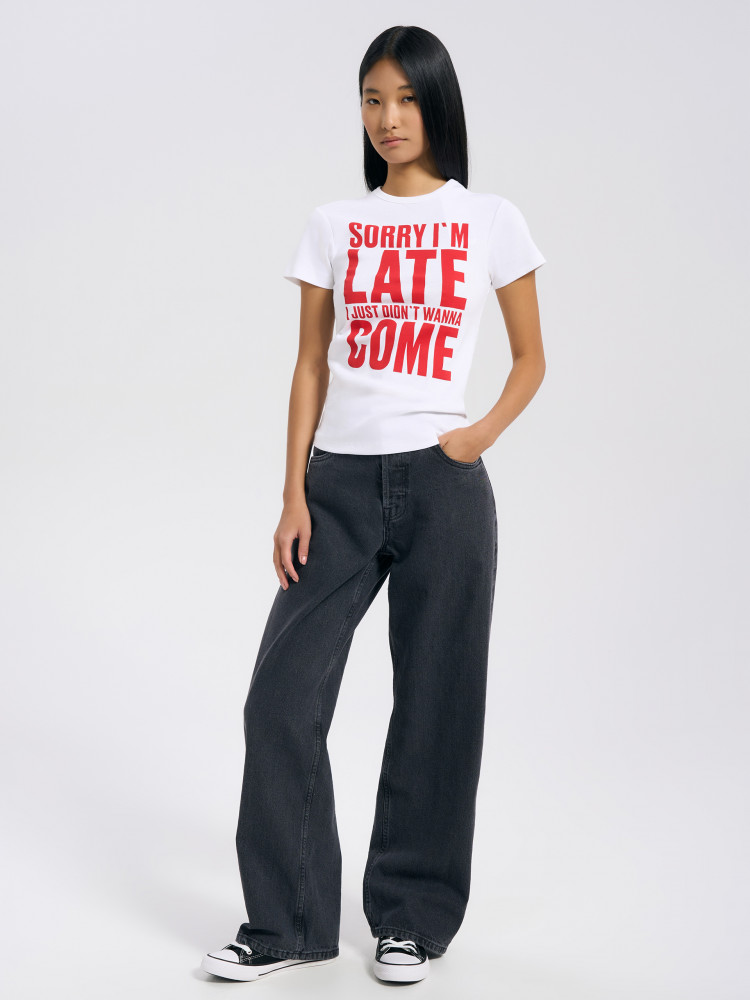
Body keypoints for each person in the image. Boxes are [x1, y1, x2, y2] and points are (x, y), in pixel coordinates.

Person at [201, 24, 546, 986]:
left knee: (435, 704)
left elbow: (532, 359)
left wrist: (473, 438)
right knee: (279, 699)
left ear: (437, 104)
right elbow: (310, 364)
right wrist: (293, 492)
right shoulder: (335, 224)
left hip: (444, 485)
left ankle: (411, 920)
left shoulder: (489, 220)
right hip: (339, 488)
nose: (389, 118)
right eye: (371, 100)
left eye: (406, 98)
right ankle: (288, 924)